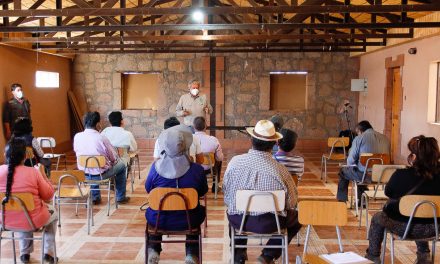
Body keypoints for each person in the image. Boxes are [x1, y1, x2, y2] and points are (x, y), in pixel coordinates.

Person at [223, 120, 301, 264]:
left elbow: (227, 197)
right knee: (299, 217)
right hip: (271, 223)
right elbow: (292, 203)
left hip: (240, 221)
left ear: (251, 140)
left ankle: (238, 255)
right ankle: (267, 256)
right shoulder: (281, 171)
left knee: (234, 211)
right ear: (273, 144)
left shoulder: (234, 163)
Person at [365, 135, 440, 264]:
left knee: (377, 218)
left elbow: (388, 192)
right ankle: (424, 256)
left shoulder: (401, 175)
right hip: (436, 227)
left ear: (414, 156)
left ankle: (373, 256)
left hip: (405, 227)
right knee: (423, 213)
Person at [146, 125, 207, 264]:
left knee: (153, 213)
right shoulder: (197, 169)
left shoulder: (155, 169)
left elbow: (149, 189)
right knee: (197, 212)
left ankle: (154, 249)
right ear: (185, 145)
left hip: (159, 220)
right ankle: (191, 254)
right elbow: (203, 191)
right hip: (189, 220)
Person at [0, 138, 57, 264]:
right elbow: (48, 196)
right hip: (33, 220)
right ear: (25, 156)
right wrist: (43, 175)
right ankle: (48, 253)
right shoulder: (33, 172)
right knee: (53, 212)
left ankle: (24, 253)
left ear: (5, 155)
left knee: (19, 212)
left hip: (5, 220)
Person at [73, 111, 129, 205]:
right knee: (122, 165)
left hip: (84, 174)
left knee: (92, 167)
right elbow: (113, 157)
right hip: (101, 174)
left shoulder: (77, 136)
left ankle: (95, 197)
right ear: (98, 124)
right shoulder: (101, 138)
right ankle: (120, 197)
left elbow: (76, 151)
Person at [336, 120, 390, 203]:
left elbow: (350, 161)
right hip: (382, 175)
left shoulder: (359, 138)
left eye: (357, 133)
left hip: (365, 176)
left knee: (344, 172)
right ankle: (362, 201)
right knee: (360, 170)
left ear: (359, 131)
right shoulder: (385, 138)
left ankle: (342, 199)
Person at [193, 116, 224, 193]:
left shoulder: (189, 139)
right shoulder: (213, 139)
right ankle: (215, 186)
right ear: (205, 127)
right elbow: (220, 158)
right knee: (218, 160)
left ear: (193, 127)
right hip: (208, 169)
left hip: (193, 169)